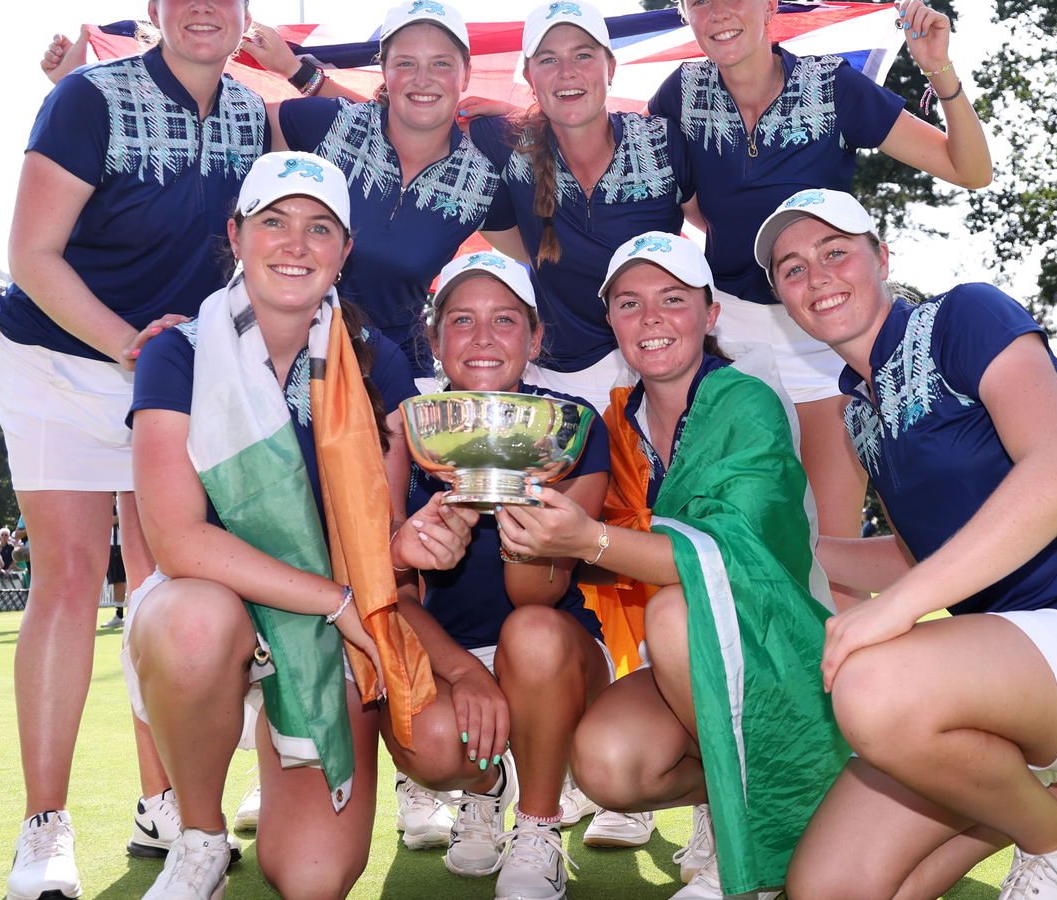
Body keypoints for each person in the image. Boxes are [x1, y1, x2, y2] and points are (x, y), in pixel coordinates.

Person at [757, 188, 1057, 900]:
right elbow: (919, 558)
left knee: (873, 685)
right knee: (829, 888)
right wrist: (778, 550)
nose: (816, 277)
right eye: (791, 268)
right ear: (782, 298)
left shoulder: (963, 315)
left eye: (835, 251)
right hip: (1011, 679)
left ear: (882, 257)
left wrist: (893, 610)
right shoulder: (861, 414)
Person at [127, 150, 477, 900]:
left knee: (310, 878)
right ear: (237, 235)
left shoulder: (375, 358)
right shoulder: (177, 352)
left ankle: (275, 738)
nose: (295, 244)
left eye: (320, 228)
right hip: (229, 603)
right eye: (274, 222)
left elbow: (375, 541)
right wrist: (336, 601)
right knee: (195, 623)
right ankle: (200, 836)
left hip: (323, 627)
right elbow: (178, 541)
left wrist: (406, 546)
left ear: (345, 252)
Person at [0, 2, 274, 893]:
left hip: (171, 369)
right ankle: (44, 827)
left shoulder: (253, 113)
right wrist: (130, 345)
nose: (202, 9)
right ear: (153, 10)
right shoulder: (86, 97)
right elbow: (33, 254)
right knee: (72, 577)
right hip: (58, 355)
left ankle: (166, 804)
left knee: (168, 587)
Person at [499, 233, 843, 899]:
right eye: (630, 302)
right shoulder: (617, 421)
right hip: (697, 655)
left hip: (779, 644)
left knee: (677, 608)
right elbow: (618, 556)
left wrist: (585, 539)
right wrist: (535, 534)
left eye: (673, 299)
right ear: (612, 322)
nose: (651, 317)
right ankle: (729, 791)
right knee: (607, 766)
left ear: (710, 315)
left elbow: (731, 559)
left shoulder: (746, 401)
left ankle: (761, 835)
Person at [648, 0, 991, 544]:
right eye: (698, 0)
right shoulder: (677, 96)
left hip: (824, 333)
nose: (716, 11)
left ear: (768, 5)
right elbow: (679, 202)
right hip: (727, 335)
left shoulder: (831, 85)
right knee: (728, 540)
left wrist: (938, 71)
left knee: (830, 552)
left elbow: (969, 169)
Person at [387, 251, 617, 899]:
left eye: (506, 320)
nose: (484, 338)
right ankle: (486, 789)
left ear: (535, 336)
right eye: (462, 320)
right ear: (434, 341)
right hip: (448, 653)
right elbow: (386, 589)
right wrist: (460, 669)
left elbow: (535, 593)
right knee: (429, 744)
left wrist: (517, 487)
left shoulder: (570, 426)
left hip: (555, 654)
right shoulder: (407, 430)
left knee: (533, 633)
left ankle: (539, 825)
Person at [246, 1, 511, 377]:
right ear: (384, 68)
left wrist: (527, 123)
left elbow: (546, 258)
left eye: (441, 63)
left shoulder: (482, 181)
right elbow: (220, 131)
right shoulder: (332, 126)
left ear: (466, 74)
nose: (423, 78)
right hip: (286, 360)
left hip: (394, 372)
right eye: (405, 63)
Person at [465, 1, 694, 416]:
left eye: (583, 55)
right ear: (529, 77)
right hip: (559, 384)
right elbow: (405, 123)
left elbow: (718, 228)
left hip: (666, 373)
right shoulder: (503, 142)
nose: (567, 72)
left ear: (610, 67)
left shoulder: (663, 142)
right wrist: (309, 77)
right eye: (549, 59)